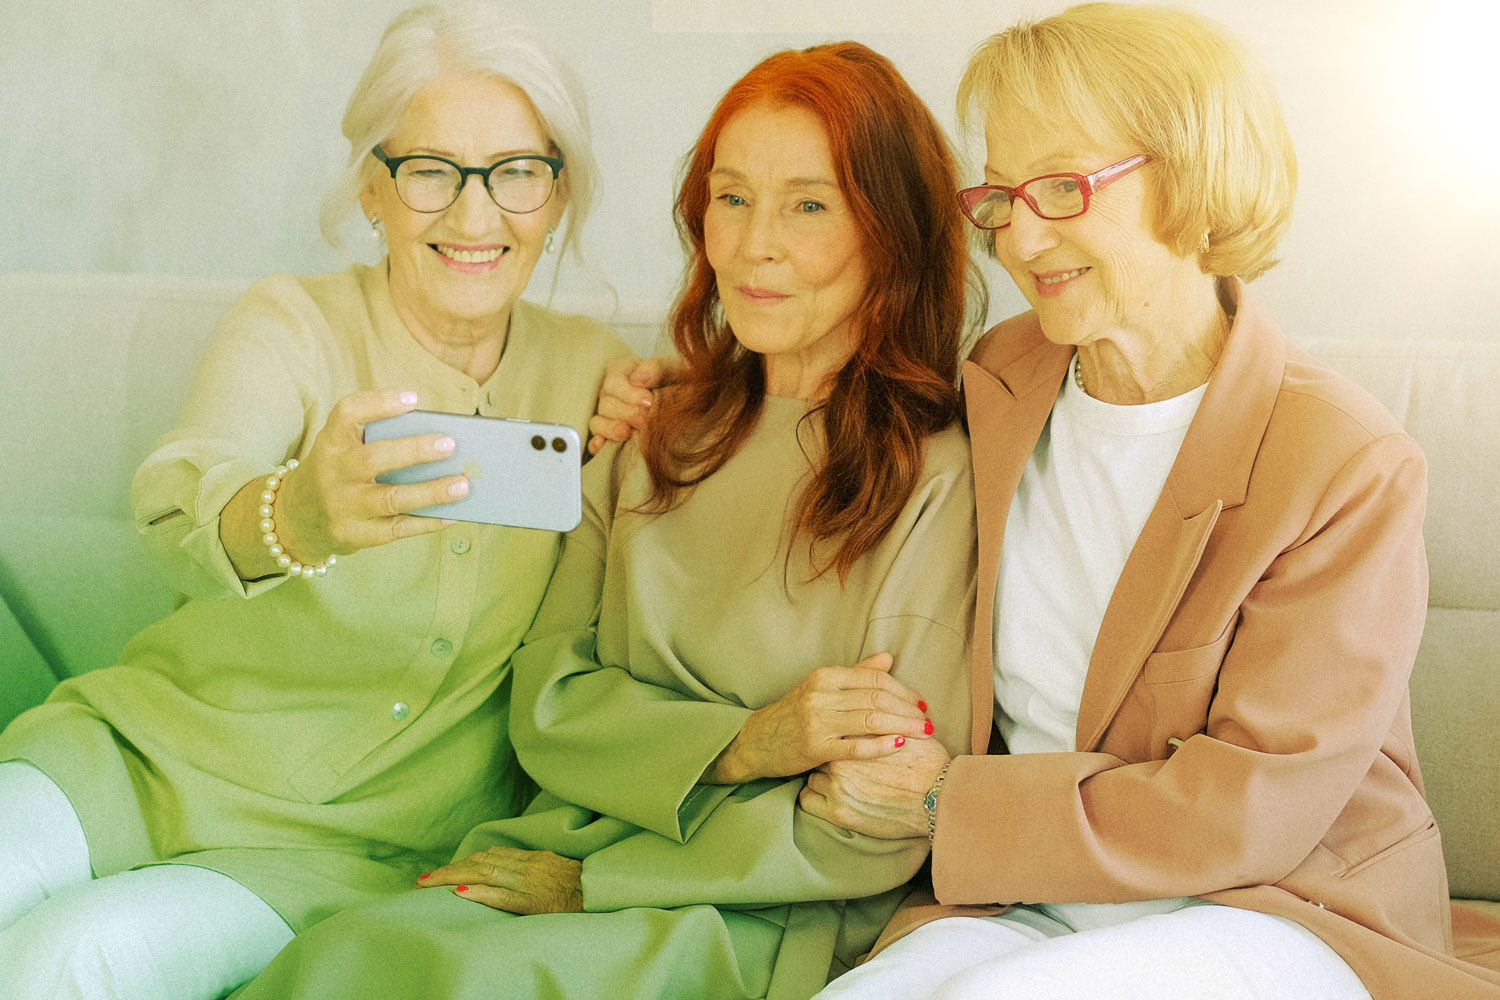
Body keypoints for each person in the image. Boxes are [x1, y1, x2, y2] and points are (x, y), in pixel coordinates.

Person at [591, 5, 1500, 999]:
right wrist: (649, 394)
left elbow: (1254, 806)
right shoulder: (1000, 378)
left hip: (1276, 905)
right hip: (1024, 897)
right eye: (1002, 197)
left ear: (1196, 180)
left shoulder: (1343, 459)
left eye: (1064, 188)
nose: (1019, 237)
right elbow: (831, 403)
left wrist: (947, 800)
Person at [233, 40, 978, 1000]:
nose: (755, 244)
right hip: (556, 850)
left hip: (751, 909)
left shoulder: (934, 478)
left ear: (892, 232)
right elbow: (547, 702)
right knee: (340, 960)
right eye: (732, 196)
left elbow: (868, 820)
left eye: (809, 204)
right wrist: (751, 743)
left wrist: (605, 882)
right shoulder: (655, 433)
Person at [0, 4, 630, 998]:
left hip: (347, 848)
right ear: (374, 187)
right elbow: (177, 499)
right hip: (141, 757)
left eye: (518, 172)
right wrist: (299, 513)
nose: (476, 216)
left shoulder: (604, 376)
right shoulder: (294, 320)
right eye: (431, 172)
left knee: (65, 960)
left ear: (557, 197)